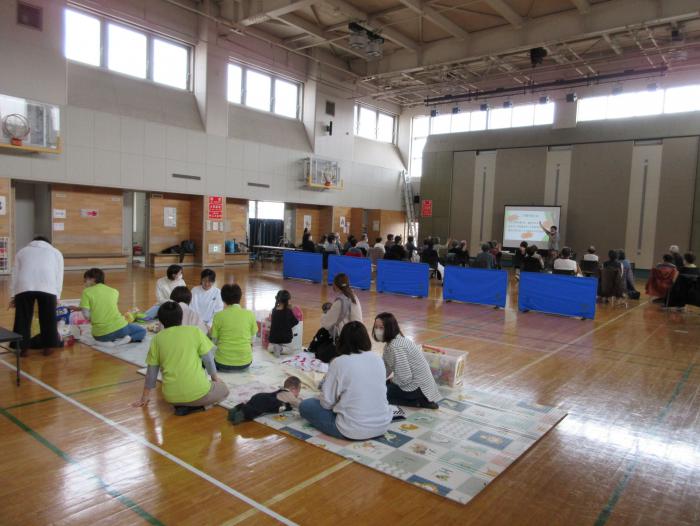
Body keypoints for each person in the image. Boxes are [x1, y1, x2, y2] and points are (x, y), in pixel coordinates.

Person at [299, 322, 392, 440]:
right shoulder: (377, 359)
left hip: (352, 430)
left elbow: (326, 403)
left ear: (342, 340)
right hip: (382, 425)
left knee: (306, 405)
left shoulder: (339, 362)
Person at [133, 302, 229, 416]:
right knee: (224, 389)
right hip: (199, 392)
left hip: (171, 397)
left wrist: (145, 397)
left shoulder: (157, 339)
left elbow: (151, 373)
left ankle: (185, 406)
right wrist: (215, 378)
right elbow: (208, 360)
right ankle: (197, 407)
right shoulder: (195, 331)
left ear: (161, 321)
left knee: (193, 389)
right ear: (181, 317)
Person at [10, 236, 64, 357]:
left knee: (22, 318)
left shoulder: (22, 251)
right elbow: (59, 275)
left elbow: (15, 274)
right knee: (48, 318)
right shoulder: (55, 252)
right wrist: (57, 295)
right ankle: (48, 347)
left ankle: (22, 348)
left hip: (23, 286)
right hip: (48, 287)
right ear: (48, 243)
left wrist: (13, 294)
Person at [373, 313, 440, 409]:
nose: (377, 331)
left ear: (390, 328)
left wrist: (391, 380)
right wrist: (376, 381)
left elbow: (405, 378)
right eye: (376, 327)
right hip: (417, 385)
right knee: (380, 388)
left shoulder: (395, 346)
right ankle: (418, 400)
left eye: (381, 328)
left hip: (419, 388)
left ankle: (419, 402)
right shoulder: (392, 343)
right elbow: (386, 368)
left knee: (380, 395)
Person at [80, 268, 146, 344]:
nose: (84, 283)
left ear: (93, 279)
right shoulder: (114, 291)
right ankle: (128, 339)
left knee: (105, 332)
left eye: (85, 281)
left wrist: (92, 319)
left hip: (100, 336)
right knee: (141, 331)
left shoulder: (86, 292)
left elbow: (86, 314)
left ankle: (117, 339)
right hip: (121, 328)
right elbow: (105, 305)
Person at [211, 284, 257, 371]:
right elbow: (253, 338)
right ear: (240, 297)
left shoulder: (218, 316)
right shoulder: (250, 314)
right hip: (245, 363)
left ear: (223, 299)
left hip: (222, 363)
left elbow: (214, 340)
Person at [228, 376, 302, 424]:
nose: (298, 394)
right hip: (267, 402)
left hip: (261, 396)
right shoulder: (290, 396)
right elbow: (300, 405)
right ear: (293, 389)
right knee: (254, 411)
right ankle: (241, 415)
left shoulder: (282, 390)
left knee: (250, 405)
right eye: (298, 391)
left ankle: (237, 408)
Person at [320, 273, 363, 341]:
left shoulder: (340, 301)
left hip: (348, 339)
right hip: (360, 335)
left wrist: (325, 313)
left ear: (335, 285)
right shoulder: (354, 297)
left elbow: (326, 323)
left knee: (323, 330)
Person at [269, 289, 299, 357]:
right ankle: (281, 349)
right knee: (291, 350)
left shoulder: (274, 310)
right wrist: (291, 310)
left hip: (274, 339)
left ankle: (274, 348)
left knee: (270, 348)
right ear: (287, 301)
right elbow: (296, 322)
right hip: (285, 339)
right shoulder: (288, 311)